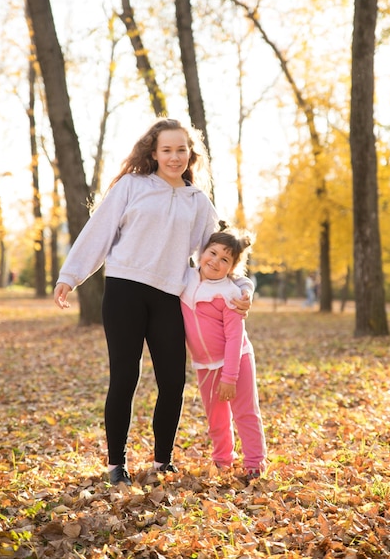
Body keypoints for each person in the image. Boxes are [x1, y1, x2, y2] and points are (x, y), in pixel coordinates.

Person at [53, 118, 253, 486]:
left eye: (181, 150)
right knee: (125, 376)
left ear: (191, 155)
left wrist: (243, 287)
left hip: (169, 297)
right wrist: (70, 276)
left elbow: (218, 256)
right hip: (125, 291)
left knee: (173, 380)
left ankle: (163, 460)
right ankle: (117, 464)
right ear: (154, 152)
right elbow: (98, 232)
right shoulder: (132, 186)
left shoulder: (198, 202)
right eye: (167, 150)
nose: (175, 157)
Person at [180, 223, 267, 480]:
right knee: (216, 418)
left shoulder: (230, 293)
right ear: (202, 252)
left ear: (232, 268)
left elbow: (234, 337)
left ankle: (254, 464)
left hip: (235, 360)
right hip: (205, 366)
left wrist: (230, 377)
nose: (215, 261)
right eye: (213, 252)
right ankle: (222, 460)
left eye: (225, 259)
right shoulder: (186, 278)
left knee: (245, 413)